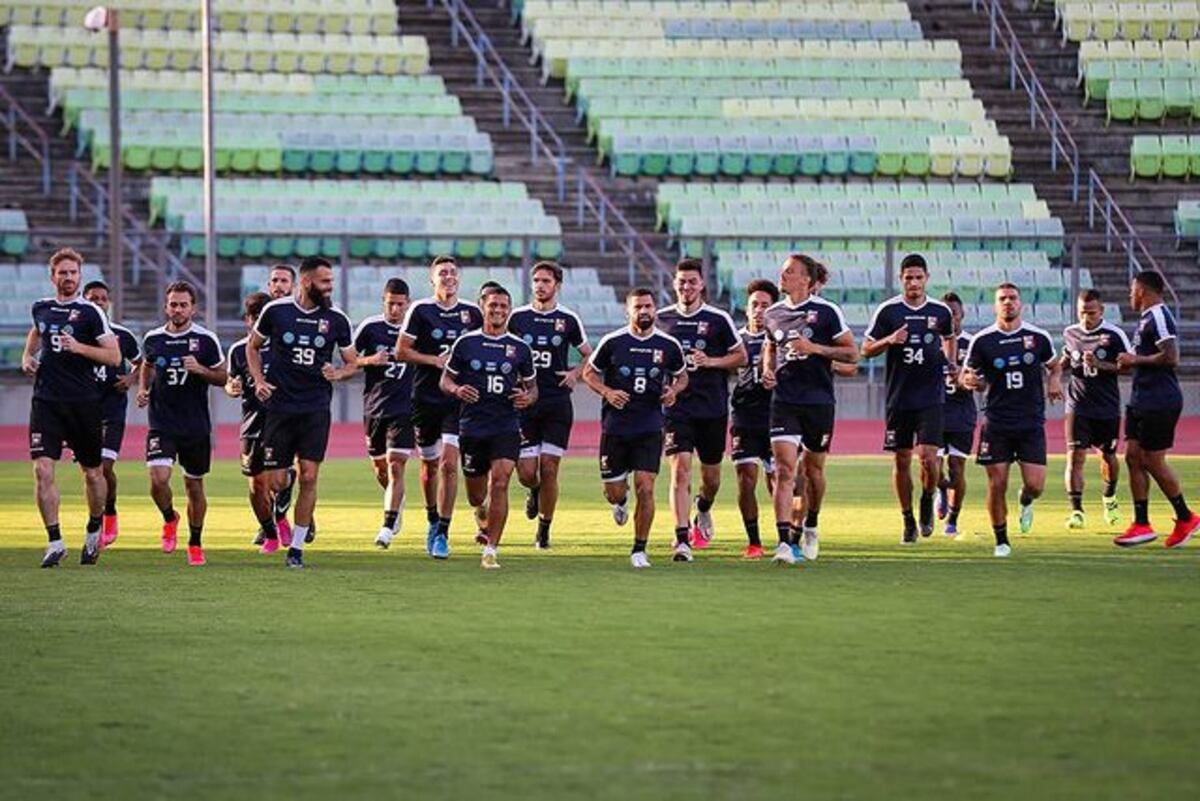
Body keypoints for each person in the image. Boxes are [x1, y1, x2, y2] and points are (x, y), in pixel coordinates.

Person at [247, 256, 357, 568]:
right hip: (280, 408)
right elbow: (252, 347)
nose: (330, 287)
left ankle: (296, 548)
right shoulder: (275, 311)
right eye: (325, 282)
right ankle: (287, 477)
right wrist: (258, 381)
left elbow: (352, 362)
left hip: (315, 408)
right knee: (277, 482)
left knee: (310, 477)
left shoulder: (336, 319)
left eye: (331, 282)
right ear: (307, 282)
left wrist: (339, 372)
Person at [23, 248, 121, 567]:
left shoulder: (91, 312)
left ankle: (94, 530)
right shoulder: (41, 308)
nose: (68, 278)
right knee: (42, 469)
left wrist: (79, 347)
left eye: (73, 273)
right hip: (46, 401)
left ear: (79, 276)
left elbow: (114, 357)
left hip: (83, 403)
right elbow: (38, 330)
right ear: (53, 276)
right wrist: (27, 355)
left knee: (93, 474)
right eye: (62, 272)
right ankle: (54, 541)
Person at [761, 254, 858, 565]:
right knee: (784, 470)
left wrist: (814, 348)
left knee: (813, 471)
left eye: (790, 272)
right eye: (783, 271)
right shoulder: (773, 313)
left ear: (805, 279)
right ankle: (784, 542)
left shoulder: (827, 312)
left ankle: (811, 524)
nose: (783, 275)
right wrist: (767, 370)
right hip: (784, 401)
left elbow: (852, 354)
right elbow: (770, 345)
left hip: (818, 402)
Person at [582, 288, 688, 568]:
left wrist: (674, 391)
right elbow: (588, 373)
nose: (644, 311)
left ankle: (639, 549)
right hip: (615, 427)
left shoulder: (668, 345)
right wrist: (607, 392)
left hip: (650, 426)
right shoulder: (613, 342)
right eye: (638, 307)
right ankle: (620, 502)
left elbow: (682, 376)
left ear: (655, 310)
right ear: (627, 311)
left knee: (646, 486)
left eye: (649, 306)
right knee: (614, 490)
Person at [961, 283, 1062, 557]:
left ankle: (1025, 500)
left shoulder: (1037, 337)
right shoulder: (982, 341)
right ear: (995, 306)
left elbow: (1055, 364)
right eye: (1002, 299)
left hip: (1030, 423)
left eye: (1013, 298)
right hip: (997, 423)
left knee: (1036, 485)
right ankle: (1001, 540)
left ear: (1021, 304)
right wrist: (971, 381)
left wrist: (1054, 381)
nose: (1008, 303)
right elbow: (967, 376)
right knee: (997, 483)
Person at [861, 254, 956, 545]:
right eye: (908, 278)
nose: (913, 283)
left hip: (931, 397)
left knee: (928, 459)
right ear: (901, 279)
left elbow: (949, 337)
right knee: (902, 460)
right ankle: (907, 519)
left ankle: (927, 499)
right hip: (899, 399)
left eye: (918, 277)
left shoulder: (940, 312)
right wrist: (889, 340)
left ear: (926, 278)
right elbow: (865, 349)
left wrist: (949, 363)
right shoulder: (888, 311)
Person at [440, 285, 537, 568]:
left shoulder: (520, 348)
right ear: (482, 307)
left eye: (503, 306)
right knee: (476, 494)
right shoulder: (466, 343)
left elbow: (533, 389)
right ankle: (480, 513)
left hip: (506, 425)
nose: (498, 310)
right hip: (472, 427)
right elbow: (445, 380)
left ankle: (491, 549)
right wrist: (457, 390)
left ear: (509, 309)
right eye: (493, 305)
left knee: (502, 481)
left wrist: (527, 398)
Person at [656, 258, 746, 557]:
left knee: (711, 478)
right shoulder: (662, 319)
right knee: (680, 471)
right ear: (674, 284)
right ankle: (682, 537)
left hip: (712, 408)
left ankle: (704, 506)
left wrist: (712, 362)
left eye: (692, 281)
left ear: (702, 284)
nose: (686, 286)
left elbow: (741, 356)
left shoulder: (718, 319)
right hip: (677, 408)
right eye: (681, 281)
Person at [396, 256, 484, 559]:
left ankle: (443, 532)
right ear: (432, 280)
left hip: (456, 399)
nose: (448, 277)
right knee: (430, 465)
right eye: (442, 273)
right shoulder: (421, 310)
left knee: (449, 463)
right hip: (424, 397)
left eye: (452, 273)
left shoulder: (473, 313)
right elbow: (401, 351)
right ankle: (432, 517)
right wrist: (434, 360)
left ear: (459, 279)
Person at [136, 282, 226, 566]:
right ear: (166, 306)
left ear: (193, 308)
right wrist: (143, 388)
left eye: (183, 304)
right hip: (162, 422)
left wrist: (200, 369)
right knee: (158, 478)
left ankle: (195, 541)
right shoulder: (153, 338)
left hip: (195, 425)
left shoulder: (205, 339)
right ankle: (169, 517)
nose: (177, 309)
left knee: (194, 486)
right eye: (173, 304)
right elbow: (147, 365)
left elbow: (224, 378)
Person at [507, 261, 591, 549]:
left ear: (557, 285)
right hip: (524, 403)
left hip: (556, 403)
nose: (540, 285)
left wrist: (574, 374)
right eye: (537, 280)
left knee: (550, 468)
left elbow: (590, 356)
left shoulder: (568, 319)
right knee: (528, 473)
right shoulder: (516, 318)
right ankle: (533, 491)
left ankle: (544, 529)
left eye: (546, 281)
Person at [1113, 270, 1199, 548]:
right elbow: (1145, 359)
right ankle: (1141, 524)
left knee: (1152, 460)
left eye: (1132, 290)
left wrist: (1135, 358)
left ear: (1142, 290)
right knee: (1133, 457)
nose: (1129, 295)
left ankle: (1186, 517)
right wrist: (1129, 363)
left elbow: (1171, 357)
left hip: (1159, 399)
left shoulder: (1160, 316)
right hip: (1142, 398)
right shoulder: (1146, 319)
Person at [226, 291, 293, 554]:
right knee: (256, 485)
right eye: (254, 318)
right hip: (252, 422)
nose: (257, 323)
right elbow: (231, 384)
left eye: (262, 317)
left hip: (280, 421)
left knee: (276, 482)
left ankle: (282, 509)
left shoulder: (283, 347)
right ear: (247, 320)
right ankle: (270, 532)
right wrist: (232, 387)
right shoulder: (237, 350)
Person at [1061, 289, 1132, 530]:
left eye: (1091, 312)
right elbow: (1065, 359)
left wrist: (1099, 364)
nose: (1086, 317)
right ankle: (1076, 510)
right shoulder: (1070, 333)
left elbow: (1127, 366)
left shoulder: (1114, 334)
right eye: (1082, 312)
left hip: (1106, 407)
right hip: (1077, 405)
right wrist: (1052, 372)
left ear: (1101, 311)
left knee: (1108, 456)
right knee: (1075, 456)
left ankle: (1109, 497)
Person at [352, 278, 414, 549]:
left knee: (395, 464)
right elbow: (349, 360)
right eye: (391, 304)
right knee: (380, 470)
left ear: (408, 304)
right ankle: (396, 500)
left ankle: (387, 527)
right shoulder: (370, 327)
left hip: (406, 409)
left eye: (401, 305)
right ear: (383, 302)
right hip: (375, 408)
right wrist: (369, 360)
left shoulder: (416, 330)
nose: (396, 310)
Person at [81, 279, 142, 548]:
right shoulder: (76, 335)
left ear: (109, 303)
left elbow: (144, 364)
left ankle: (109, 513)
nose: (98, 303)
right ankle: (97, 515)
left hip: (112, 409)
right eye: (93, 298)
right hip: (82, 410)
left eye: (102, 299)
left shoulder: (122, 336)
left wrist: (131, 379)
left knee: (104, 467)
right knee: (90, 471)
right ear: (84, 300)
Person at [730, 278, 779, 559]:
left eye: (765, 306)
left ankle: (789, 534)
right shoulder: (735, 340)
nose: (759, 310)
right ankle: (754, 542)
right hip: (745, 416)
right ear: (746, 308)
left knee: (780, 480)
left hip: (777, 414)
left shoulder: (782, 338)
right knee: (746, 478)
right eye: (754, 305)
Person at [256, 263, 298, 544]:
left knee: (288, 470)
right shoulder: (264, 319)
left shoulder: (297, 319)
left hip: (293, 405)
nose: (279, 285)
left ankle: (299, 516)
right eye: (275, 281)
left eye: (284, 280)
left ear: (293, 286)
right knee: (262, 477)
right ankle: (272, 519)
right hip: (260, 408)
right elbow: (246, 351)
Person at [935, 292, 975, 537]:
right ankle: (941, 490)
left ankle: (954, 519)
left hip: (961, 414)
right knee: (933, 469)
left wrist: (967, 379)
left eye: (955, 314)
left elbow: (983, 379)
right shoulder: (930, 341)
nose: (951, 319)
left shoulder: (973, 344)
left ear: (962, 316)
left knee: (957, 469)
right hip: (934, 413)